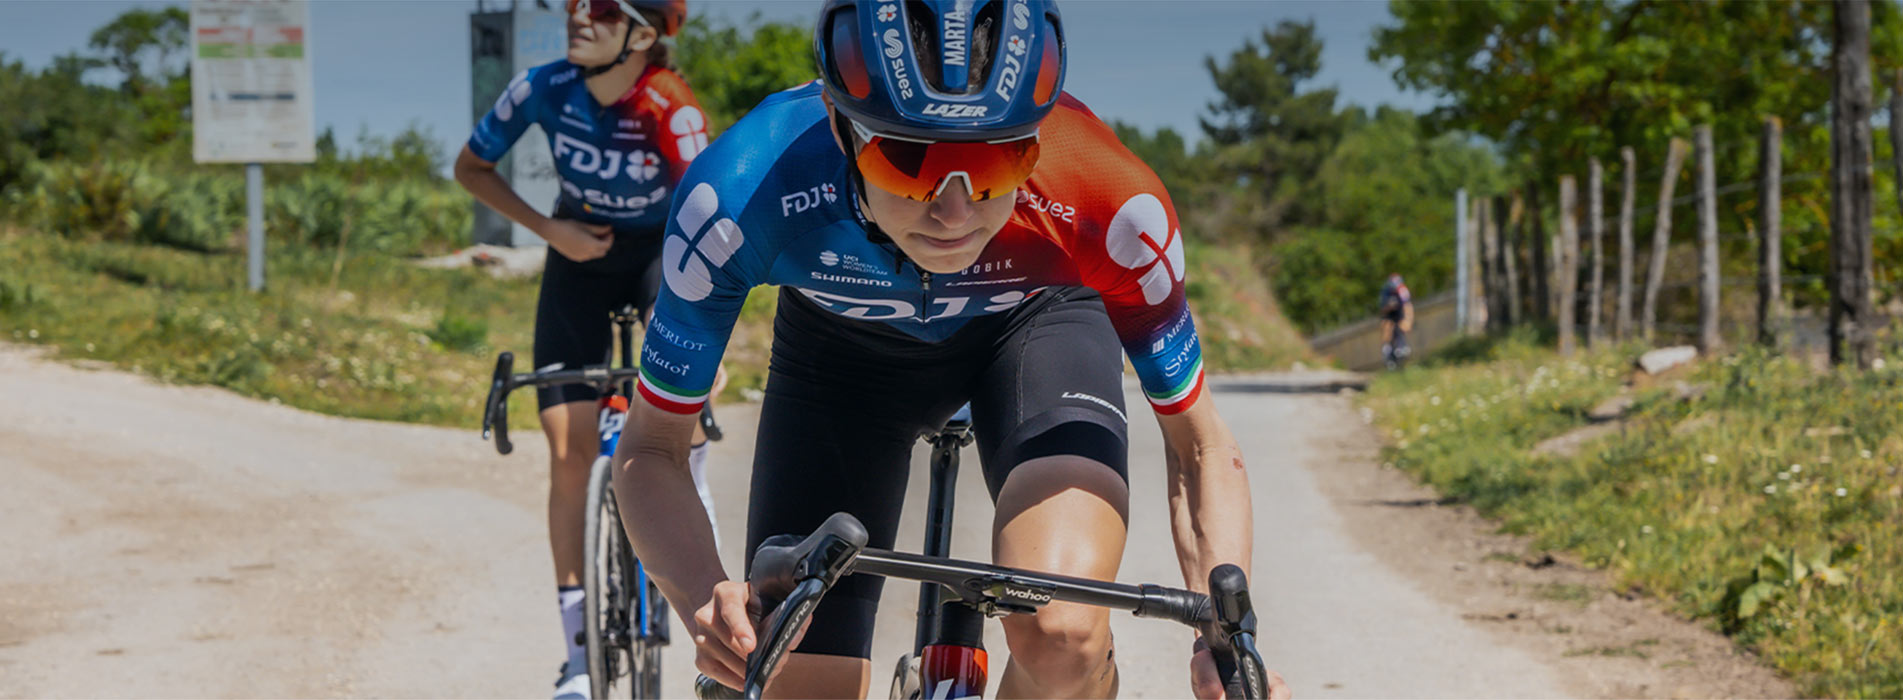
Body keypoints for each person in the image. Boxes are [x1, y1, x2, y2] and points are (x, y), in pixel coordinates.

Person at [613, 1, 1289, 698]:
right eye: (909, 163)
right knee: (792, 681)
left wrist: (1226, 640)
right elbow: (651, 448)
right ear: (841, 129)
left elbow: (1199, 445)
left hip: (1037, 329)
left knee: (1061, 635)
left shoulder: (1108, 198)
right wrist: (704, 597)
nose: (954, 212)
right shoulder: (740, 193)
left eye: (998, 162)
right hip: (841, 362)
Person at [450, 1, 722, 696]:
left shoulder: (670, 105)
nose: (579, 16)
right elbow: (471, 167)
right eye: (575, 3)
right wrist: (548, 229)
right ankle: (577, 658)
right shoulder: (545, 86)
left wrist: (706, 346)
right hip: (577, 250)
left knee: (680, 407)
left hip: (663, 257)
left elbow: (714, 213)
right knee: (567, 448)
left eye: (603, 8)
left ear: (643, 33)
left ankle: (689, 500)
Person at [1378, 273, 1413, 369]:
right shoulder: (1385, 292)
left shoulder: (1403, 291)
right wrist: (1389, 307)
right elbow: (1382, 310)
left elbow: (1408, 306)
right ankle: (1387, 351)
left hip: (1399, 313)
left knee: (1401, 326)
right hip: (1388, 314)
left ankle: (1401, 346)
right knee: (1387, 327)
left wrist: (1408, 320)